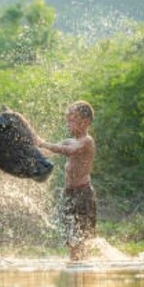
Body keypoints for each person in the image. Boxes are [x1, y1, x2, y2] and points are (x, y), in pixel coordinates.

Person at [38, 101, 96, 261]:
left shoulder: (87, 141)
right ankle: (76, 264)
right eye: (67, 119)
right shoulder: (69, 141)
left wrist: (43, 143)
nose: (68, 123)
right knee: (71, 238)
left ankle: (82, 268)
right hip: (69, 194)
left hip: (83, 194)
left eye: (72, 119)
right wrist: (33, 146)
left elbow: (68, 151)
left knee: (81, 238)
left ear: (85, 122)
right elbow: (48, 151)